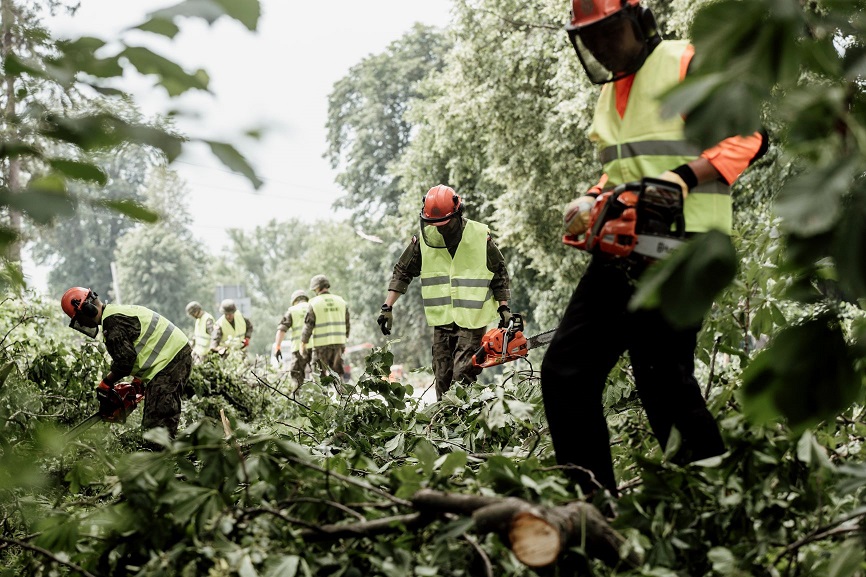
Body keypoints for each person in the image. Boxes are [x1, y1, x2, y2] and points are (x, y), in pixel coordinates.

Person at [541, 0, 768, 500]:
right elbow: (626, 170)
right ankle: (592, 507)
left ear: (637, 22)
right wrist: (594, 196)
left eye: (607, 32)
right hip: (622, 251)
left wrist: (679, 180)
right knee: (565, 371)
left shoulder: (685, 61)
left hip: (684, 248)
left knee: (662, 378)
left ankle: (711, 504)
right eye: (590, 38)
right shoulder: (609, 94)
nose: (600, 45)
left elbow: (750, 135)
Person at [378, 184, 511, 401]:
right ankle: (443, 426)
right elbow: (403, 271)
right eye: (434, 224)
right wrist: (387, 306)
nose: (440, 228)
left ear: (458, 213)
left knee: (462, 376)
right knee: (443, 377)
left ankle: (462, 425)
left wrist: (504, 307)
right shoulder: (423, 240)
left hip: (472, 320)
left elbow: (499, 272)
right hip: (442, 320)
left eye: (445, 223)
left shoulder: (479, 236)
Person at [61, 287, 192, 436]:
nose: (82, 324)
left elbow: (125, 362)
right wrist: (138, 381)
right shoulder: (114, 314)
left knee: (157, 426)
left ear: (87, 309)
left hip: (172, 360)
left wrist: (106, 383)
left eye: (79, 319)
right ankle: (176, 450)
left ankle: (169, 455)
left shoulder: (112, 324)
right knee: (158, 422)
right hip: (171, 357)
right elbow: (142, 344)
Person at [300, 275, 349, 382]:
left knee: (318, 376)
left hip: (320, 346)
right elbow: (347, 324)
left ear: (316, 288)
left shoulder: (314, 303)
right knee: (337, 374)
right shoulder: (341, 301)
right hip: (338, 344)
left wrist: (303, 344)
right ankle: (343, 397)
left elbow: (308, 326)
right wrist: (344, 341)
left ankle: (322, 398)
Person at [274, 289, 312, 388]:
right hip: (316, 347)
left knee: (296, 377)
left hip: (298, 349)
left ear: (294, 301)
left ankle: (298, 400)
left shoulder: (292, 311)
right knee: (319, 376)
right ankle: (323, 399)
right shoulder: (313, 307)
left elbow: (281, 330)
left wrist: (277, 347)